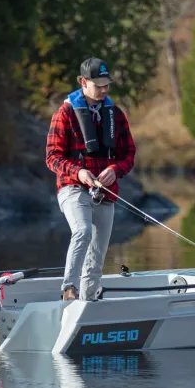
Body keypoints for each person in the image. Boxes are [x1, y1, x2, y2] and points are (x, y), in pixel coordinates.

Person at [45, 57, 136, 302]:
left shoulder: (115, 115)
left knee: (97, 257)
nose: (104, 90)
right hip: (72, 188)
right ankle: (68, 289)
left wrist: (115, 169)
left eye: (107, 85)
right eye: (98, 85)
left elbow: (129, 155)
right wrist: (79, 172)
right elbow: (52, 157)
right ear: (82, 82)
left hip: (105, 194)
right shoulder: (64, 114)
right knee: (82, 231)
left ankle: (87, 305)